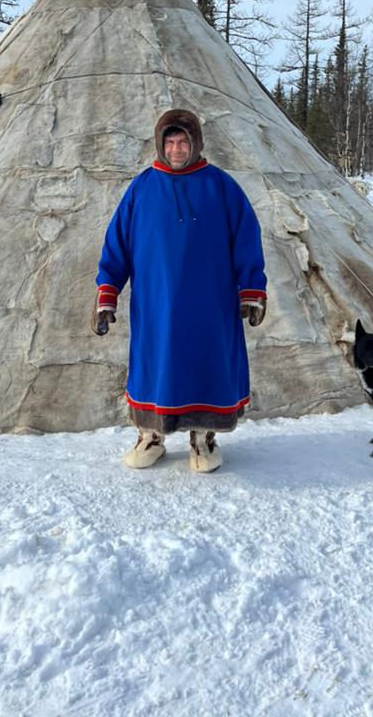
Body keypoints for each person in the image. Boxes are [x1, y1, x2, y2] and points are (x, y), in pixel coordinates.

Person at [91, 109, 267, 473]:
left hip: (210, 304)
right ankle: (150, 436)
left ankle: (203, 438)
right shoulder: (141, 188)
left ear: (196, 143)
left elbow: (246, 239)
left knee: (206, 366)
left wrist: (252, 289)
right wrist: (108, 294)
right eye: (169, 142)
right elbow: (117, 245)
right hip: (156, 306)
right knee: (154, 367)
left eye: (183, 141)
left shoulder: (221, 186)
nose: (176, 148)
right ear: (160, 144)